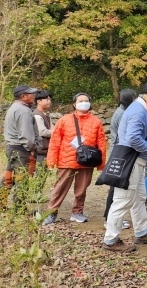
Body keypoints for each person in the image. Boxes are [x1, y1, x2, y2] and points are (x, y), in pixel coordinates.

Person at [102, 77, 147, 252]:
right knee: (122, 200)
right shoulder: (138, 111)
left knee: (139, 198)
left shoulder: (142, 108)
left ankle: (142, 232)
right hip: (131, 162)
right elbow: (134, 138)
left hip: (135, 162)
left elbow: (141, 135)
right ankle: (110, 240)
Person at [43, 93, 107, 225]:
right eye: (81, 100)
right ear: (74, 104)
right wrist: (51, 161)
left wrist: (101, 164)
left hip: (87, 161)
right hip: (66, 160)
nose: (84, 102)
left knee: (81, 189)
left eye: (86, 100)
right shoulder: (64, 120)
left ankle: (77, 212)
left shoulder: (96, 121)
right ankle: (51, 213)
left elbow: (101, 143)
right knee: (59, 188)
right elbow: (55, 141)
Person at [102, 88, 138, 229]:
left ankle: (111, 217)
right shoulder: (123, 114)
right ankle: (110, 218)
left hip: (118, 151)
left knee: (116, 187)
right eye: (134, 98)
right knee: (116, 187)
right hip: (120, 153)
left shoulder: (121, 110)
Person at [2, 85, 39, 208]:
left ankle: (1, 203)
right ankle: (19, 209)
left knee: (9, 177)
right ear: (23, 96)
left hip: (12, 147)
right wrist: (32, 149)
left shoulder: (14, 107)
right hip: (21, 149)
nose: (34, 96)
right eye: (31, 94)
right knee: (21, 179)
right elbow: (26, 134)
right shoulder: (23, 110)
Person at [33, 90, 53, 166]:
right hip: (40, 151)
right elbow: (42, 132)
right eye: (47, 100)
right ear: (39, 101)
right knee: (39, 174)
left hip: (45, 150)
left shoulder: (45, 115)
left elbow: (52, 128)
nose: (49, 102)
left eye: (50, 100)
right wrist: (56, 132)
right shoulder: (37, 115)